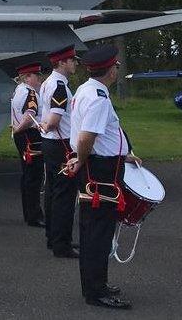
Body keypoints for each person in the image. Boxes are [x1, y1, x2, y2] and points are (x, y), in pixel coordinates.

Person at [65, 45, 140, 310]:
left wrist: (124, 154)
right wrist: (81, 159)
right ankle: (96, 292)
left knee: (95, 230)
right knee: (98, 232)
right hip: (100, 170)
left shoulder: (86, 90)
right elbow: (87, 137)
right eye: (117, 66)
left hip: (99, 165)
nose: (118, 69)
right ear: (111, 69)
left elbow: (100, 136)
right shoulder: (97, 97)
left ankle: (97, 284)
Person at [38, 45, 79, 258]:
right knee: (64, 195)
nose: (75, 63)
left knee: (53, 192)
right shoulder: (60, 86)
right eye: (72, 60)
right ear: (61, 62)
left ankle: (52, 237)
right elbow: (54, 121)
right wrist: (46, 125)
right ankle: (62, 244)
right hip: (61, 144)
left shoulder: (47, 83)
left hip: (50, 143)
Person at [10, 62, 45, 227]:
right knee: (34, 176)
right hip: (31, 136)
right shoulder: (30, 94)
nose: (39, 79)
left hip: (22, 137)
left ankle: (29, 213)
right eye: (36, 75)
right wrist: (18, 129)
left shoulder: (18, 91)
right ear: (27, 77)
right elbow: (29, 117)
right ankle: (34, 215)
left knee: (27, 176)